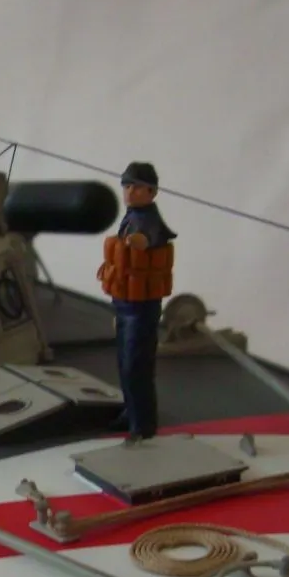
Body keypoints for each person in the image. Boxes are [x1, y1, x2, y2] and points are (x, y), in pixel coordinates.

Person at [97, 161, 177, 443]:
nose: (129, 192)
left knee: (137, 367)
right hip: (124, 302)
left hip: (141, 307)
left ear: (152, 192)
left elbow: (148, 239)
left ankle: (143, 425)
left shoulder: (149, 220)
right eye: (126, 186)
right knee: (124, 363)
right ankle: (130, 413)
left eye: (137, 187)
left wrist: (137, 241)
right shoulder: (132, 215)